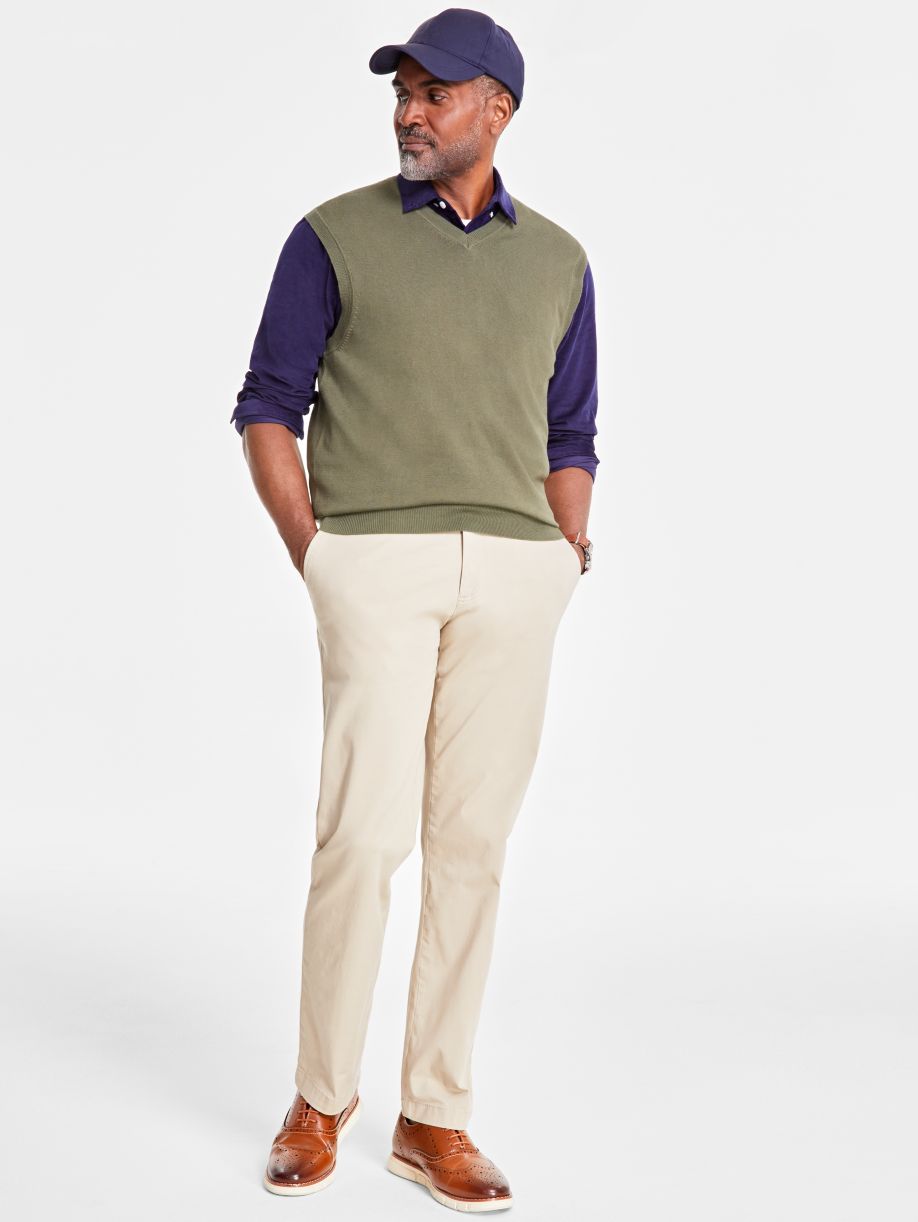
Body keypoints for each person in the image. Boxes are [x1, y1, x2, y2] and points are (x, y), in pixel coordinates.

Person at [230, 8, 599, 1212]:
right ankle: (319, 1096)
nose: (408, 110)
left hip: (516, 573)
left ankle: (433, 1114)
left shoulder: (559, 261)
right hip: (373, 560)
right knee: (361, 835)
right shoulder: (331, 236)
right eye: (403, 91)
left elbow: (570, 430)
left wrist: (567, 550)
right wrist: (318, 555)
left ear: (498, 108)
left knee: (472, 847)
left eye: (436, 92)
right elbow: (268, 405)